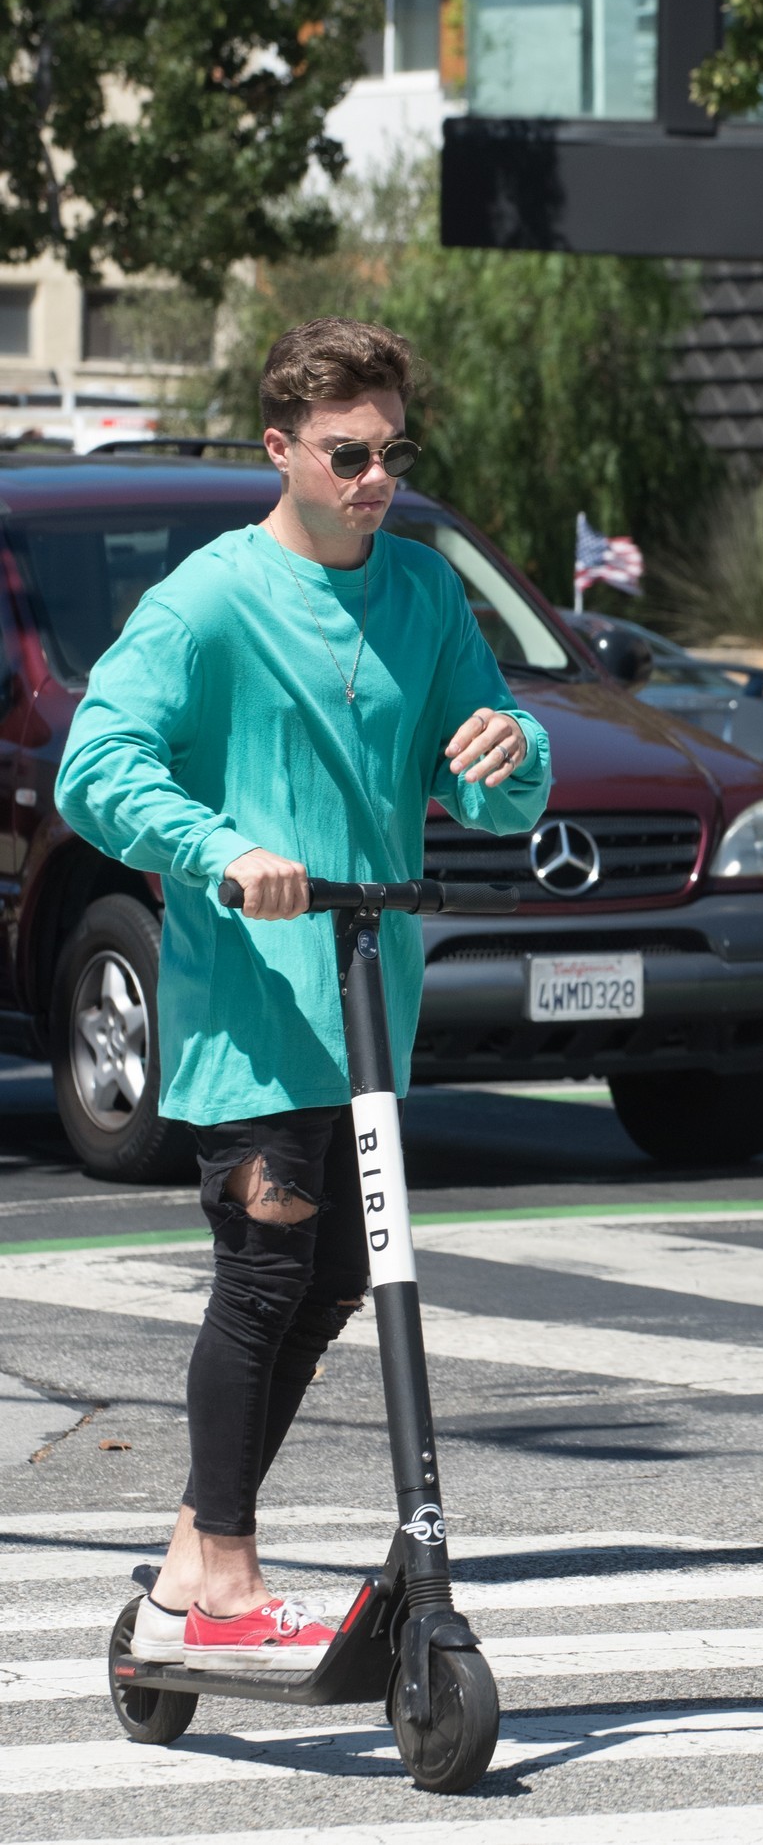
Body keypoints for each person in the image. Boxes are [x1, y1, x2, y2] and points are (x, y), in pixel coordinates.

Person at [56, 318, 553, 1670]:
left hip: (371, 995)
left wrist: (511, 749)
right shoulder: (210, 599)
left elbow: (495, 788)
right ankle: (224, 1574)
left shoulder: (424, 592)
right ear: (281, 448)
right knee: (265, 1274)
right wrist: (222, 849)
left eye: (392, 451)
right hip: (253, 1001)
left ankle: (186, 1568)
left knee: (333, 1280)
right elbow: (95, 766)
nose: (376, 477)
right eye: (348, 453)